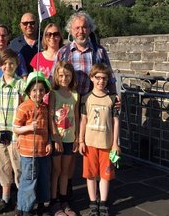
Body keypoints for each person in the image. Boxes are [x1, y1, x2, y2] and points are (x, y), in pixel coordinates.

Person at [55, 11, 118, 197]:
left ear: (90, 29)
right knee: (70, 146)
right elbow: (55, 79)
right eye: (77, 28)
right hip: (69, 105)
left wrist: (114, 98)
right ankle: (67, 189)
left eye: (84, 27)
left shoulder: (99, 51)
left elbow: (110, 77)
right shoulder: (63, 51)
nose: (81, 31)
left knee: (91, 148)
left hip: (93, 106)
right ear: (71, 30)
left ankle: (96, 190)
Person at [0, 48, 24, 216]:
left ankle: (22, 201)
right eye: (5, 63)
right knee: (3, 167)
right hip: (1, 133)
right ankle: (5, 199)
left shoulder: (21, 84)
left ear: (17, 65)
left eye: (12, 63)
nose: (8, 66)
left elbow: (24, 108)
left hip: (16, 135)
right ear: (0, 66)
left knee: (19, 167)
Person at [78, 63, 120, 216]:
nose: (101, 81)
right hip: (90, 143)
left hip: (106, 144)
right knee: (90, 174)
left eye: (104, 78)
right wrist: (80, 140)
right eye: (98, 78)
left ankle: (103, 202)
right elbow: (83, 120)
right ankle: (92, 202)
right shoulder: (86, 98)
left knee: (105, 175)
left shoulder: (112, 99)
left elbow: (116, 122)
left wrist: (115, 143)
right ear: (91, 78)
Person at [13, 71, 52, 216]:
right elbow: (15, 128)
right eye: (34, 90)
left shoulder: (44, 107)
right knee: (28, 180)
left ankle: (41, 204)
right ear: (29, 91)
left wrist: (48, 142)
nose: (38, 93)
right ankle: (24, 207)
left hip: (42, 150)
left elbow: (47, 128)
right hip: (28, 152)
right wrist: (29, 127)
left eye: (41, 90)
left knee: (43, 179)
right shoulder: (24, 106)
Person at [49, 61, 79, 216]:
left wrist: (77, 138)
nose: (64, 78)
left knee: (66, 171)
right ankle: (54, 201)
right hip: (58, 139)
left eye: (67, 75)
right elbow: (51, 116)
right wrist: (55, 138)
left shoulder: (75, 94)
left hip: (70, 138)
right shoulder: (54, 93)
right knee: (56, 170)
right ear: (56, 76)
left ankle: (64, 199)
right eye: (61, 75)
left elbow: (77, 117)